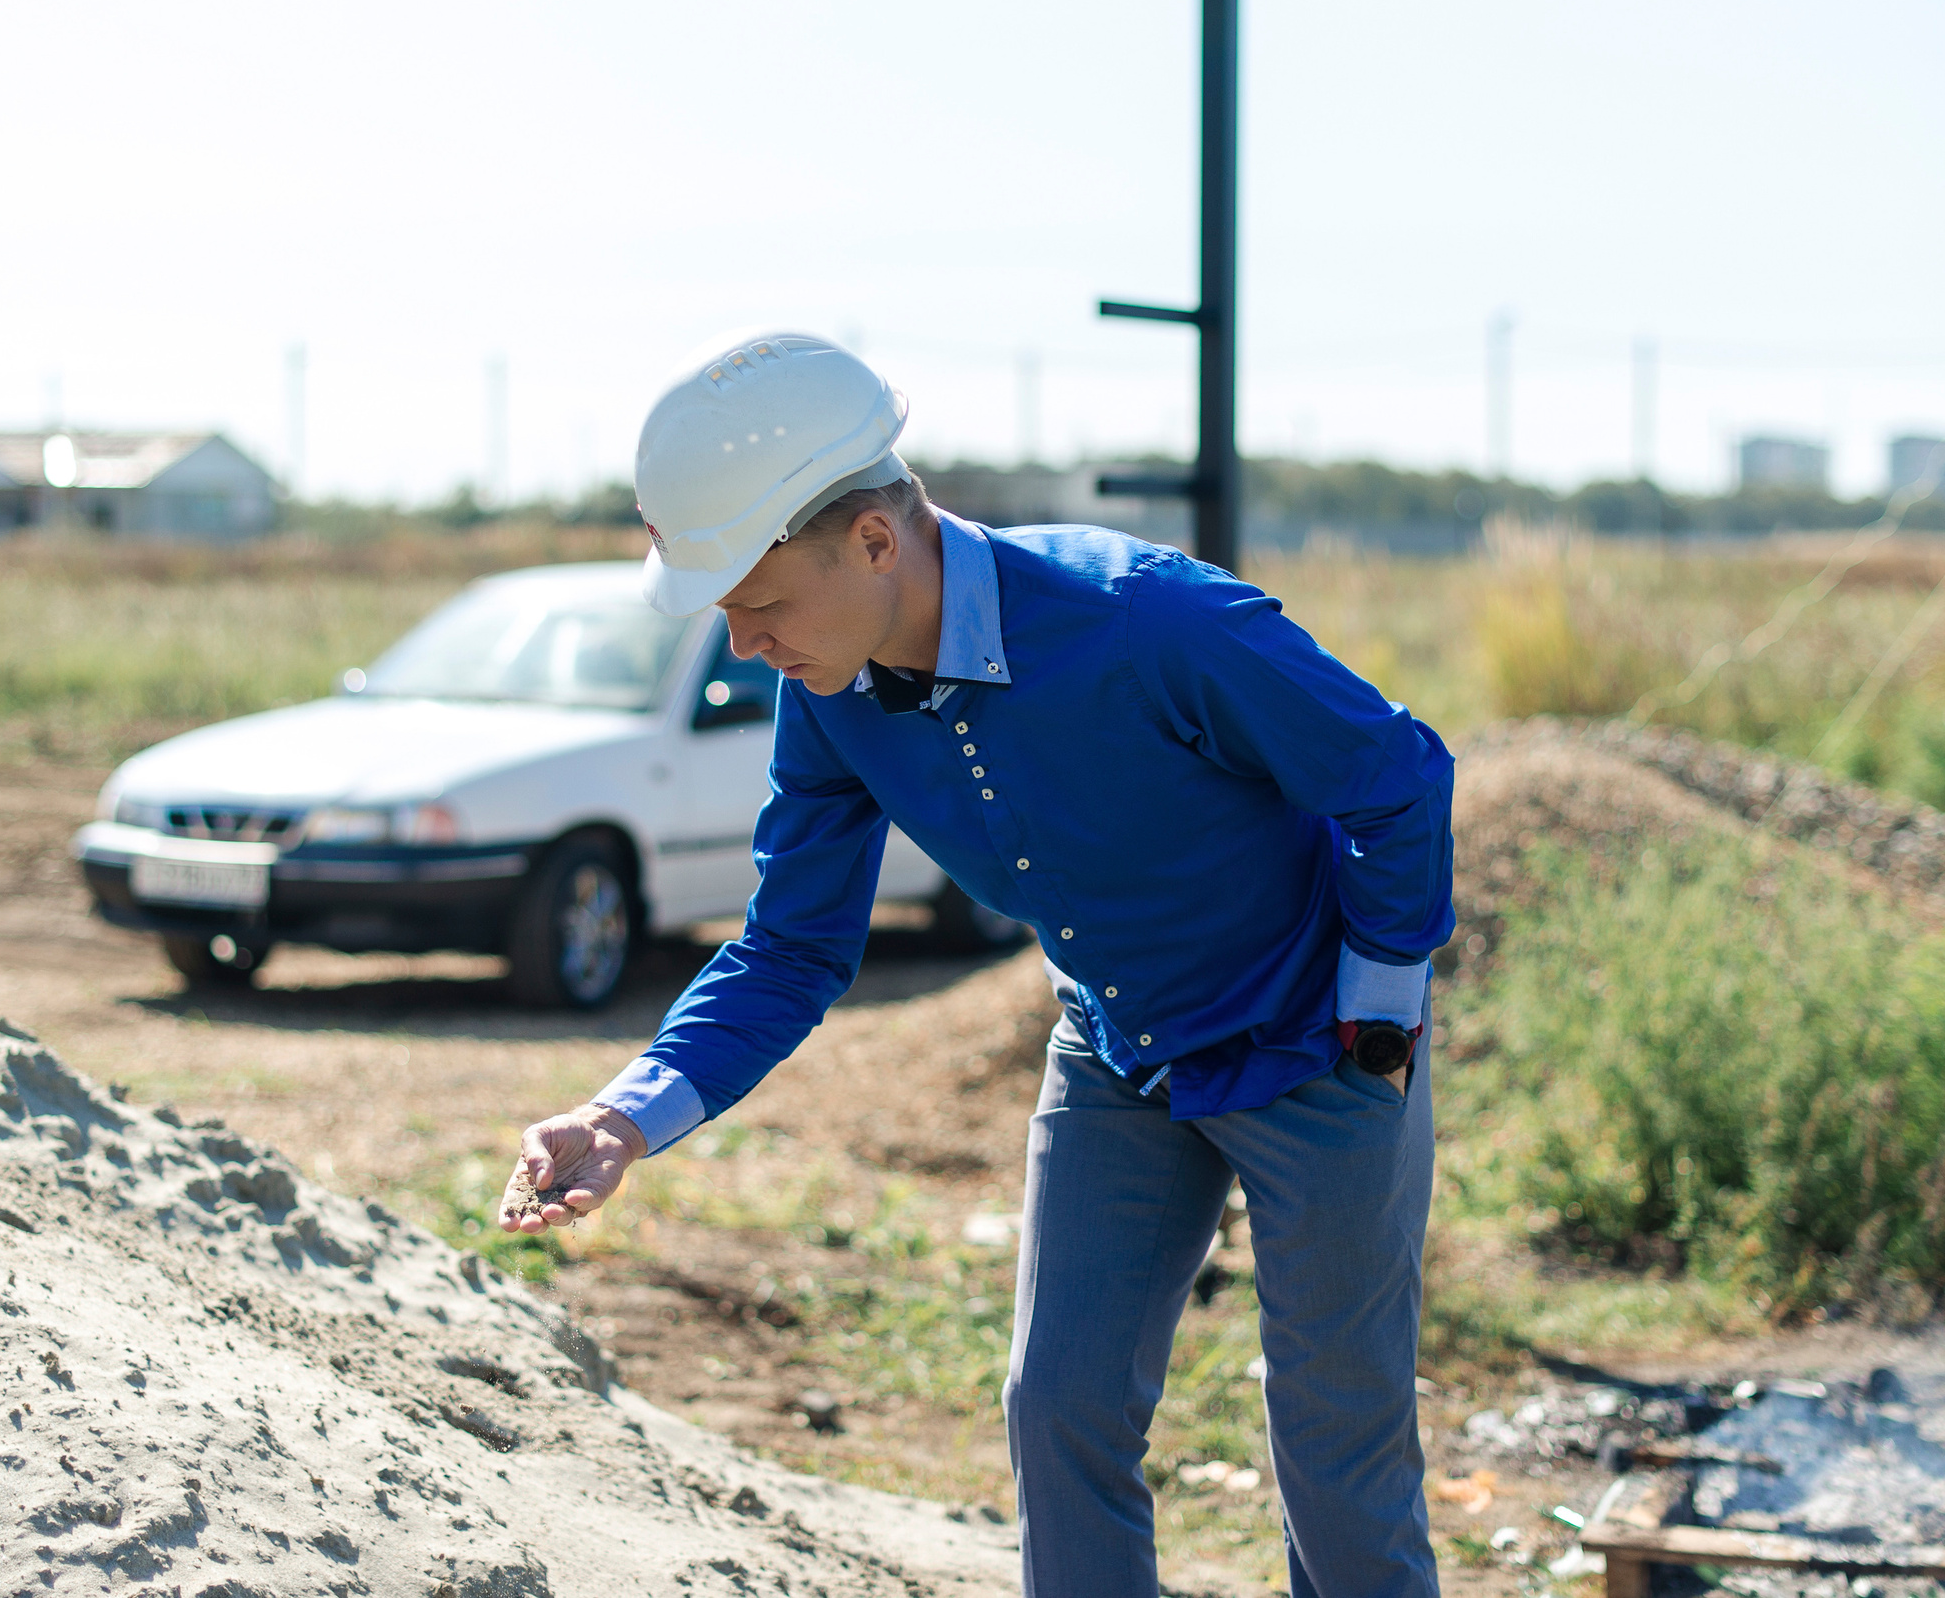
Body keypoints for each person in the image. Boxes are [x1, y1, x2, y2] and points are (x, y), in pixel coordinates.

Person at [501, 332, 1453, 1597]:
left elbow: (1397, 779)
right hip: (1117, 1052)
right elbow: (792, 944)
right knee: (1055, 1404)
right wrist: (625, 1111)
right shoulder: (828, 689)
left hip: (1313, 1045)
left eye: (759, 602)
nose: (742, 644)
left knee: (1336, 1446)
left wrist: (1378, 1011)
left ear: (876, 543)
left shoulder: (1153, 619)